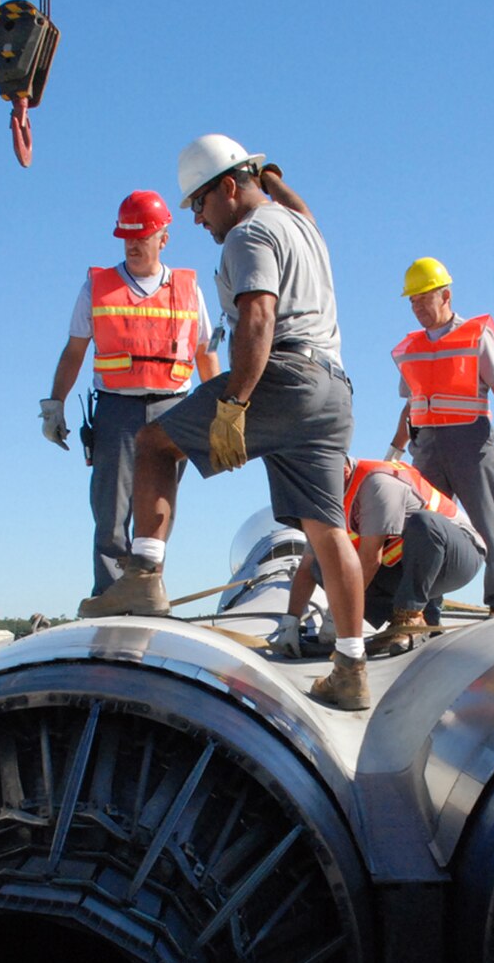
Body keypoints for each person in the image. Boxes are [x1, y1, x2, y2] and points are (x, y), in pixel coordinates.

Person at [78, 135, 372, 711]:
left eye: (198, 204)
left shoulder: (249, 233)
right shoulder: (301, 225)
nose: (196, 218)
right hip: (334, 391)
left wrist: (235, 404)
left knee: (156, 443)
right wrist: (273, 172)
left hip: (282, 376)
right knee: (326, 530)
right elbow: (300, 205)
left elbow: (258, 316)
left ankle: (143, 573)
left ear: (228, 189)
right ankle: (351, 665)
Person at [40, 190, 218, 598]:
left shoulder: (189, 290)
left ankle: (147, 588)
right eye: (127, 237)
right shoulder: (97, 288)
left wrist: (221, 412)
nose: (134, 245)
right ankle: (110, 593)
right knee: (110, 509)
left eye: (143, 236)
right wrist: (55, 405)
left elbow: (206, 354)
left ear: (164, 238)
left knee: (156, 510)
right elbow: (74, 352)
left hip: (174, 408)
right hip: (117, 410)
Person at [385, 257, 494, 615]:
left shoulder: (475, 335)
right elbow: (412, 405)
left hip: (471, 442)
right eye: (412, 301)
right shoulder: (411, 349)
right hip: (427, 447)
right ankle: (425, 609)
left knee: (488, 521)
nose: (417, 307)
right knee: (426, 526)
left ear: (445, 296)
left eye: (424, 299)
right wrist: (395, 450)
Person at [279, 457, 485, 656]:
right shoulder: (326, 503)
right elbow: (307, 568)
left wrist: (336, 617)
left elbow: (370, 559)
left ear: (343, 471)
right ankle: (420, 616)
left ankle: (410, 617)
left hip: (457, 558)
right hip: (407, 569)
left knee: (425, 523)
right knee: (320, 566)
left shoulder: (376, 483)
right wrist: (291, 622)